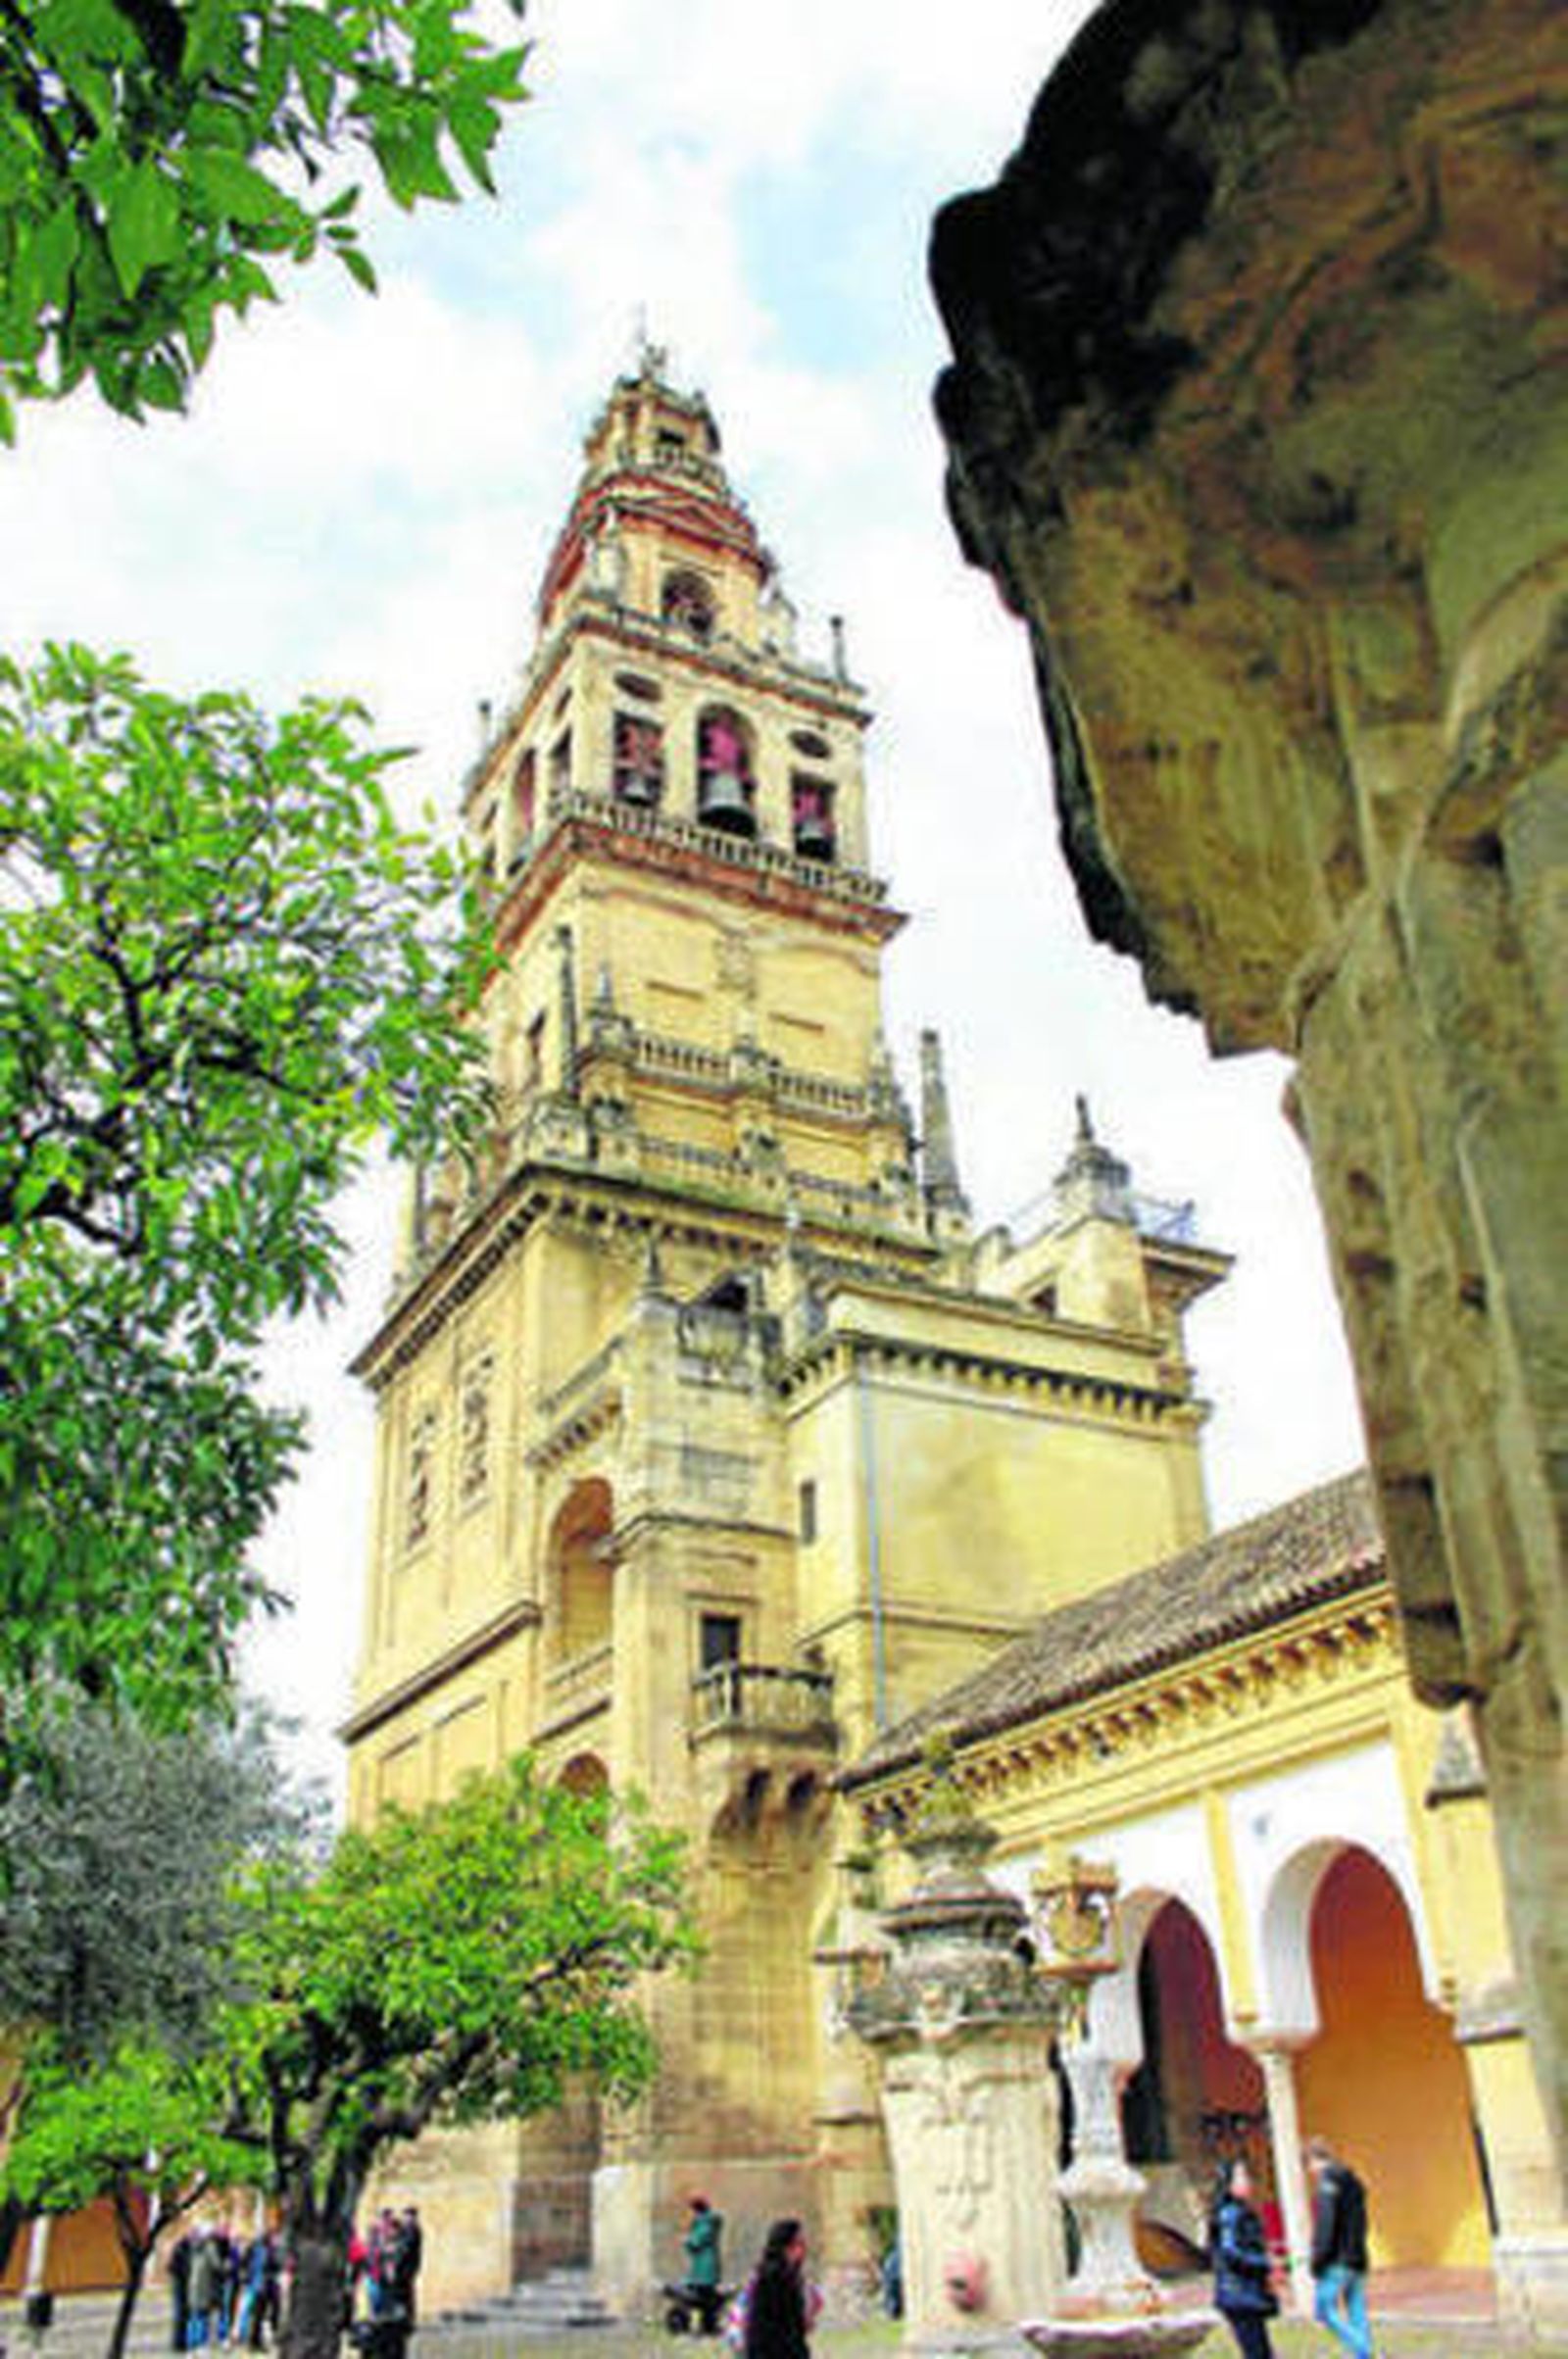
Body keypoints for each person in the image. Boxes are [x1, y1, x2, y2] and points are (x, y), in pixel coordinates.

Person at [1307, 2135, 1374, 2359]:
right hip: (1358, 2258)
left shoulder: (1327, 2183)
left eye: (1309, 2166)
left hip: (1337, 2260)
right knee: (1356, 2312)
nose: (1311, 2173)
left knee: (1323, 2311)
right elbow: (1364, 2222)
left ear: (1314, 2160)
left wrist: (1317, 2260)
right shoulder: (1353, 2182)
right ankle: (1362, 2355)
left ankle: (1365, 2351)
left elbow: (1325, 2225)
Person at [1209, 2161, 1278, 2359]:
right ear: (1228, 2184)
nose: (1248, 2182)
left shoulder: (1241, 2211)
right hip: (1238, 2294)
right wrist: (1264, 2262)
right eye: (1242, 2177)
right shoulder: (1230, 2214)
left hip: (1245, 2293)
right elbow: (1230, 2252)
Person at [743, 2220, 810, 2359]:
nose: (805, 2248)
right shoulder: (775, 2277)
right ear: (786, 2247)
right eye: (800, 2243)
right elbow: (772, 2327)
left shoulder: (787, 2274)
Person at [683, 2196, 724, 2335]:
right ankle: (708, 2325)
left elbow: (695, 2242)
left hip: (704, 2270)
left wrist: (687, 2240)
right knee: (707, 2299)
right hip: (707, 2268)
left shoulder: (705, 2223)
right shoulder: (709, 2222)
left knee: (701, 2300)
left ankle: (705, 2326)